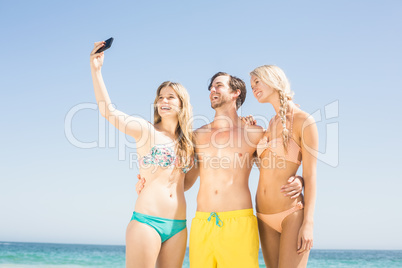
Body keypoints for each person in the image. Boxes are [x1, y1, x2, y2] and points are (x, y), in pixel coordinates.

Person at [137, 72, 304, 267]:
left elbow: (275, 168)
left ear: (236, 93)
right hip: (202, 224)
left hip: (239, 223)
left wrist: (301, 180)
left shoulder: (254, 133)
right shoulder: (197, 136)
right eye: (210, 88)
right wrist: (152, 182)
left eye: (218, 86)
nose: (212, 91)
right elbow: (185, 180)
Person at [90, 41, 195, 268]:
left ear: (182, 104)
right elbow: (109, 112)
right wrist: (96, 71)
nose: (163, 101)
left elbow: (184, 184)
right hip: (147, 221)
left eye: (170, 97)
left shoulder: (188, 143)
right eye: (160, 97)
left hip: (178, 225)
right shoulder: (145, 129)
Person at [250, 65, 318, 267]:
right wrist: (248, 129)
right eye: (252, 84)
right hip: (263, 215)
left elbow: (311, 174)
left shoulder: (304, 120)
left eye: (257, 81)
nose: (253, 88)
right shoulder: (268, 125)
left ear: (273, 80)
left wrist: (308, 223)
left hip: (291, 214)